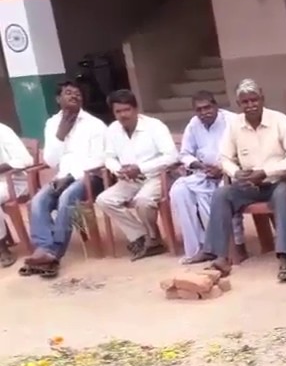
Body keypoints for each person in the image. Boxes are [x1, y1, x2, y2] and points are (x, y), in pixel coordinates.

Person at [199, 79, 286, 283]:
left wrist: (265, 172)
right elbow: (225, 158)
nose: (250, 105)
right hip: (247, 184)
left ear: (262, 98)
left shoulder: (279, 120)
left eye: (254, 100)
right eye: (245, 102)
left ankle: (284, 259)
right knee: (222, 194)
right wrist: (236, 173)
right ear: (239, 104)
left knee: (282, 197)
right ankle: (220, 257)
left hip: (276, 181)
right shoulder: (234, 125)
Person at [21, 81, 105, 279]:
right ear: (58, 99)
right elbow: (51, 161)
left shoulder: (94, 124)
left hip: (89, 178)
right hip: (61, 178)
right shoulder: (52, 124)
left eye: (77, 93)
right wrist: (60, 135)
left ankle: (52, 253)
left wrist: (71, 177)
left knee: (68, 197)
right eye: (68, 93)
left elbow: (100, 159)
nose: (74, 96)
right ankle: (44, 249)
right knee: (37, 201)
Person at [95, 89, 178, 261]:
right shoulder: (113, 129)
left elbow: (171, 156)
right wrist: (118, 170)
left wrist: (140, 168)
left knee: (143, 201)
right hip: (129, 180)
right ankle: (142, 236)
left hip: (156, 176)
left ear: (136, 109)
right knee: (104, 200)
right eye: (118, 111)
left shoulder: (154, 126)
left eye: (127, 110)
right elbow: (108, 156)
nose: (123, 115)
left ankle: (153, 238)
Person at [170, 91, 234, 262]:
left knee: (216, 195)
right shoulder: (193, 125)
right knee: (179, 190)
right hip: (203, 173)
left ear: (216, 106)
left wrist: (222, 168)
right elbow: (184, 154)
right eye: (199, 110)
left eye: (208, 107)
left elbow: (242, 153)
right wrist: (199, 166)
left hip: (229, 174)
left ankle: (219, 248)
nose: (204, 112)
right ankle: (197, 247)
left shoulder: (232, 121)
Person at [0, 118, 35, 268]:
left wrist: (3, 167)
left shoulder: (3, 131)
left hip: (13, 181)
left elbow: (26, 159)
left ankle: (2, 247)